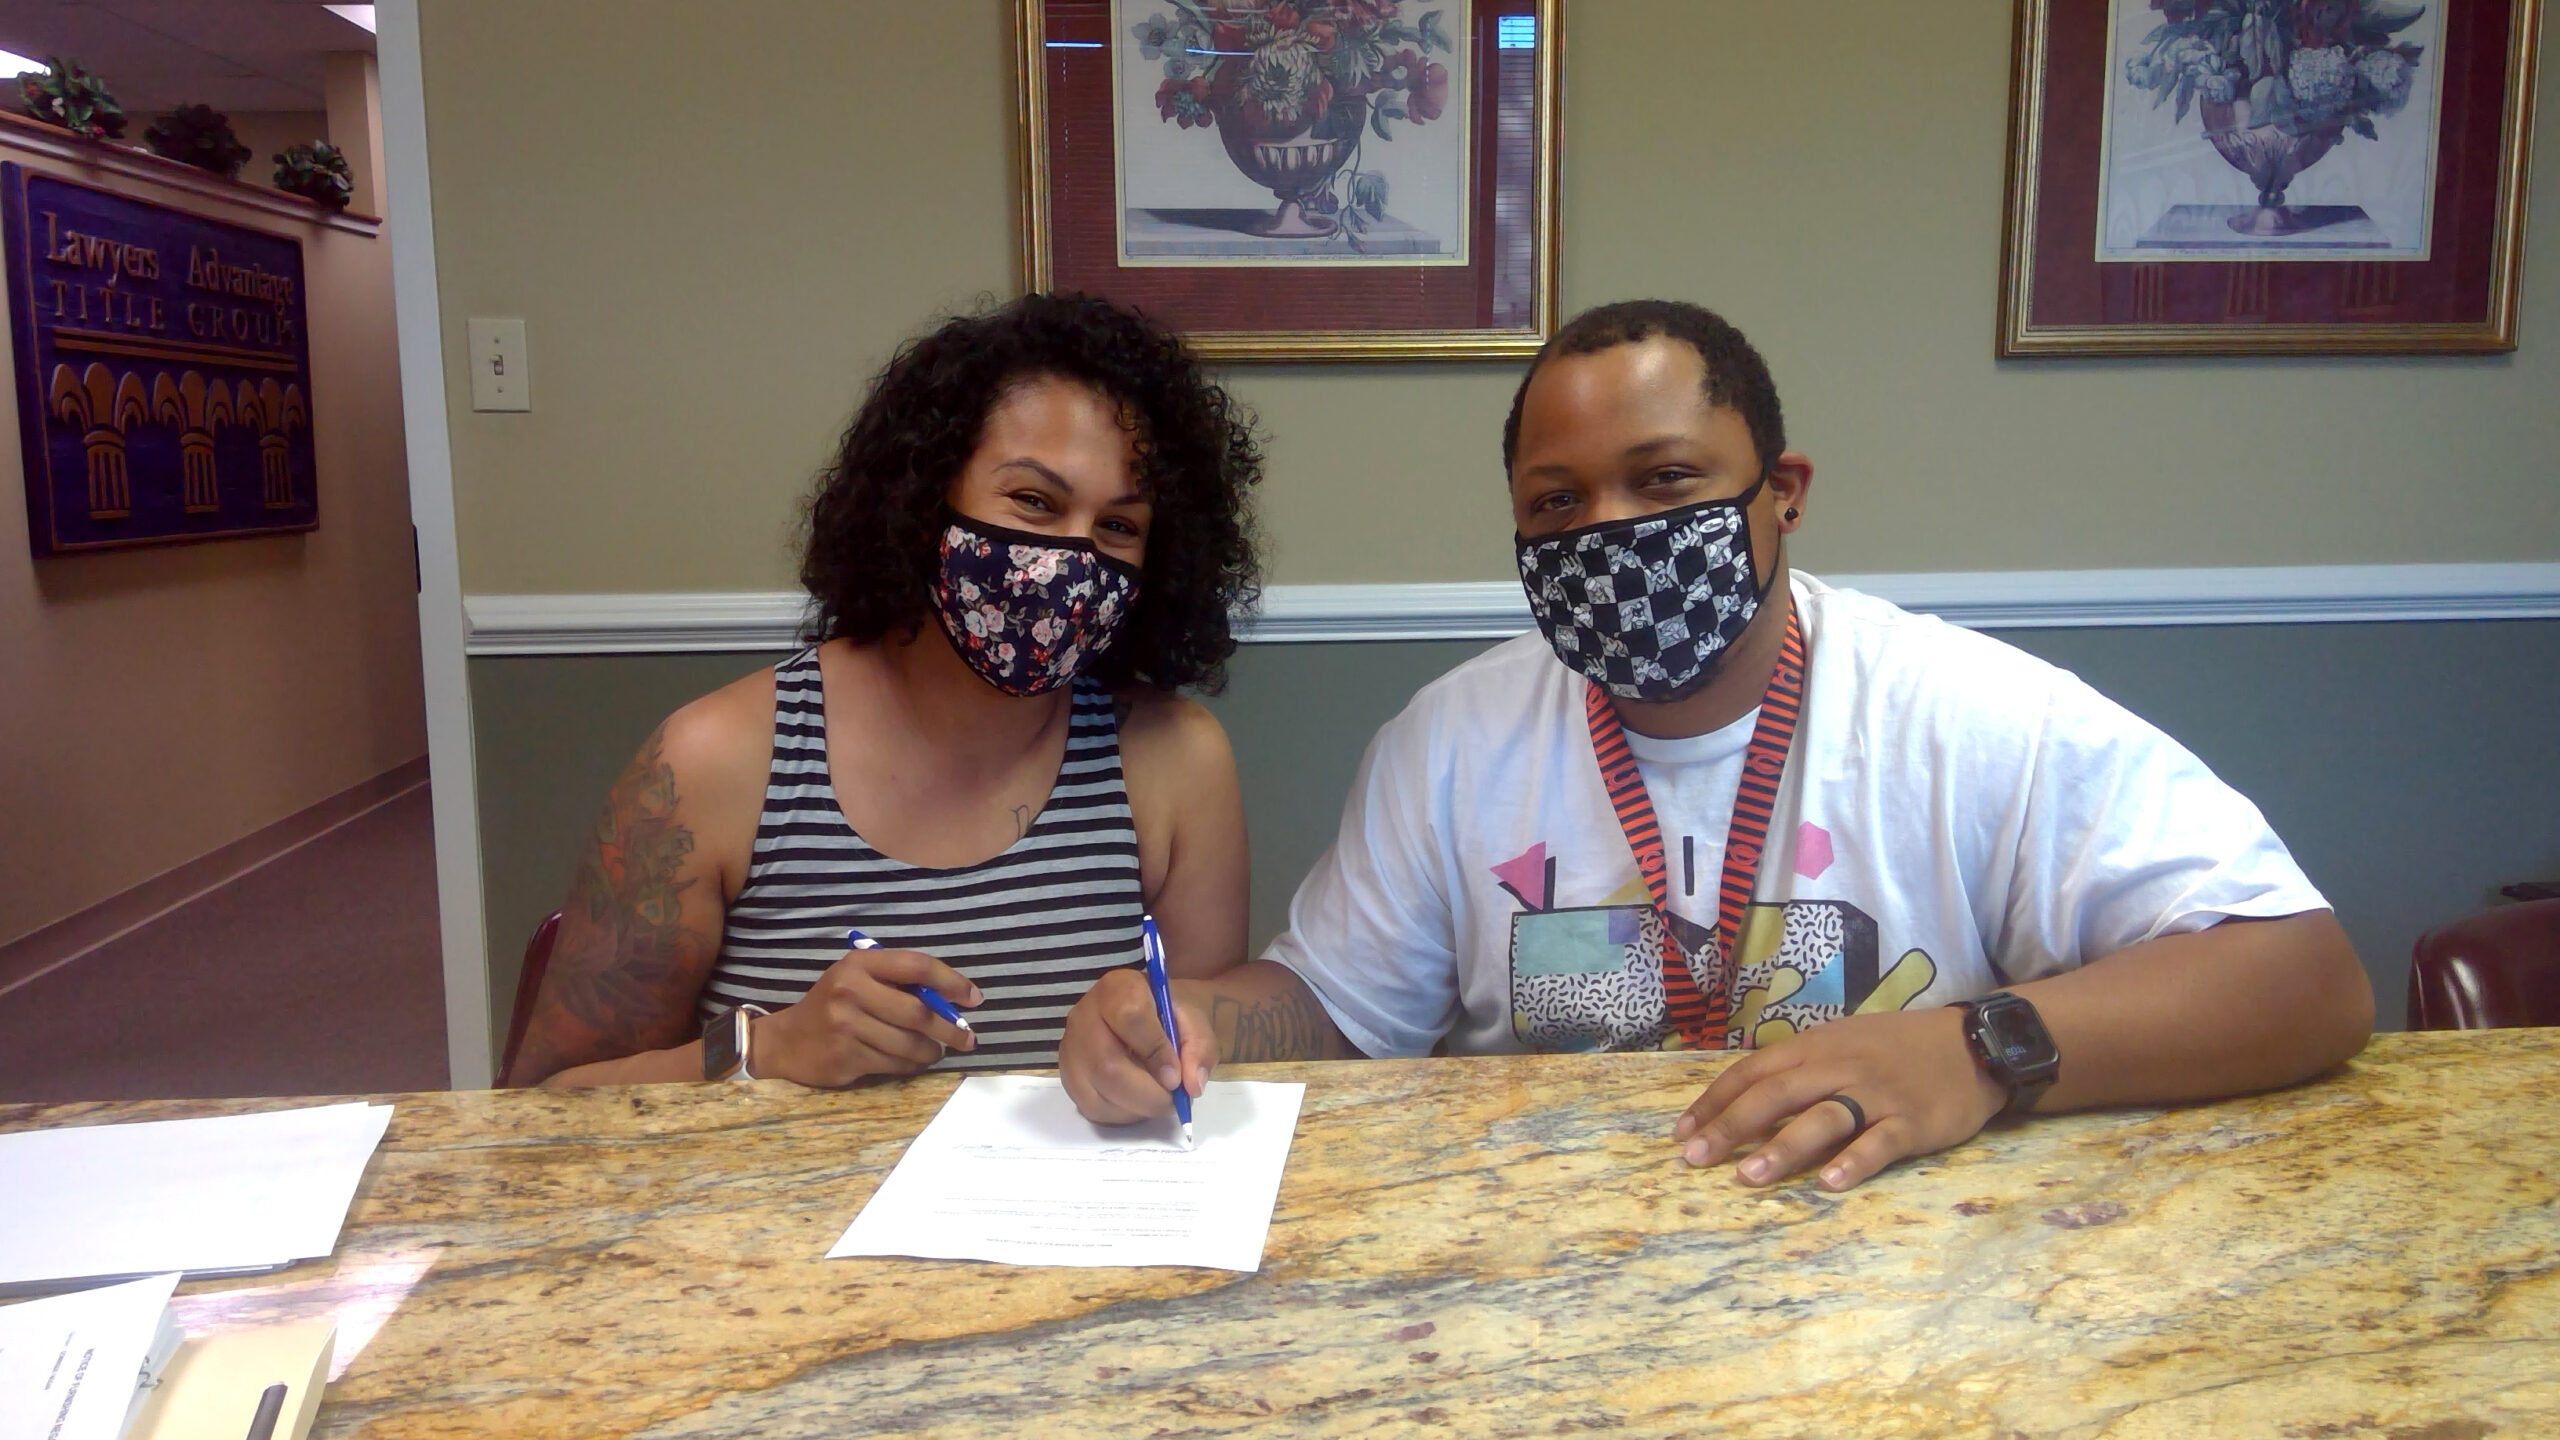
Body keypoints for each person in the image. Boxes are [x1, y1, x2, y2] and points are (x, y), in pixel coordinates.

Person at [1058, 299, 2373, 1190]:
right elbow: (1331, 1012)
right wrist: (1195, 1021)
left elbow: (2306, 976)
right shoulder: (1449, 742)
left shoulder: (1963, 713)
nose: (1611, 529)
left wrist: (1977, 1052)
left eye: (1668, 481)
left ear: (1782, 496)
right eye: (1558, 502)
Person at [507, 292, 1260, 1089]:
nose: (1072, 559)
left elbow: (1206, 1071)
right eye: (1033, 501)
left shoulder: (1177, 761)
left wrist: (1165, 1053)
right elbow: (540, 1110)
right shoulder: (711, 763)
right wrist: (764, 1051)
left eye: (1117, 528)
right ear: (920, 498)